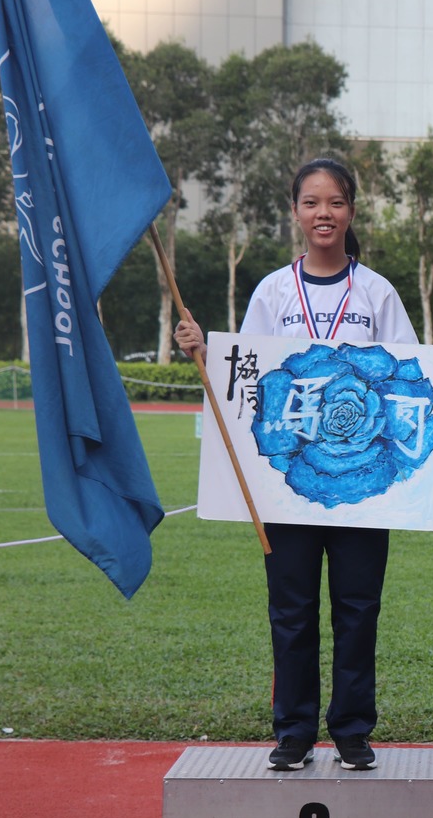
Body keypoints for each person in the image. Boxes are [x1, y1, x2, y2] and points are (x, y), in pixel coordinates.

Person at [174, 157, 418, 772]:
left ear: (351, 211)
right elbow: (247, 377)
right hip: (286, 481)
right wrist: (205, 350)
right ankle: (294, 732)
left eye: (334, 202)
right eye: (311, 203)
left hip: (363, 481)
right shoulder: (272, 291)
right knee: (291, 609)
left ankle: (353, 731)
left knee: (358, 608)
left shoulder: (377, 292)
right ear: (295, 213)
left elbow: (412, 373)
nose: (323, 214)